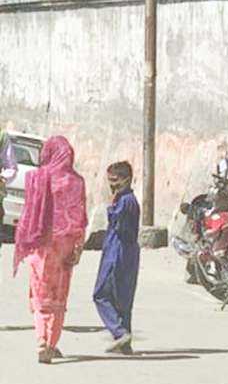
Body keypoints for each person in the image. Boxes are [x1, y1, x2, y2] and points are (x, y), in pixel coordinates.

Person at [12, 135, 88, 364]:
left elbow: (28, 213)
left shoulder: (37, 178)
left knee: (39, 292)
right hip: (64, 245)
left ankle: (41, 341)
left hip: (40, 244)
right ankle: (52, 342)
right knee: (58, 294)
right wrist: (78, 248)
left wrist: (24, 239)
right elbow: (79, 218)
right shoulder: (76, 182)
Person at [93, 161, 141, 355]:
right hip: (127, 251)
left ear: (127, 179)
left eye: (115, 180)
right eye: (109, 181)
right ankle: (124, 343)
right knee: (123, 298)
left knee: (101, 294)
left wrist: (111, 206)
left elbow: (119, 224)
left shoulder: (125, 201)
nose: (112, 185)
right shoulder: (128, 199)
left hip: (118, 251)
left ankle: (119, 331)